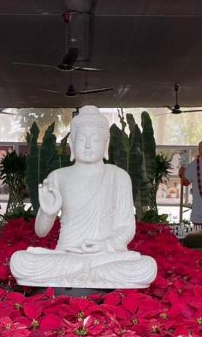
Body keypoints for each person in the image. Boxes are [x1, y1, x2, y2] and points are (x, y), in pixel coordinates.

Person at [9, 105, 157, 289]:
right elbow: (41, 231)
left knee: (146, 266)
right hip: (67, 255)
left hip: (104, 256)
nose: (87, 145)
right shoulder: (58, 176)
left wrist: (106, 245)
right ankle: (89, 273)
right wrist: (48, 212)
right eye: (81, 139)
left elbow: (126, 227)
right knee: (20, 261)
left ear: (106, 143)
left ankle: (83, 272)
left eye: (95, 139)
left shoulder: (118, 177)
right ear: (72, 142)